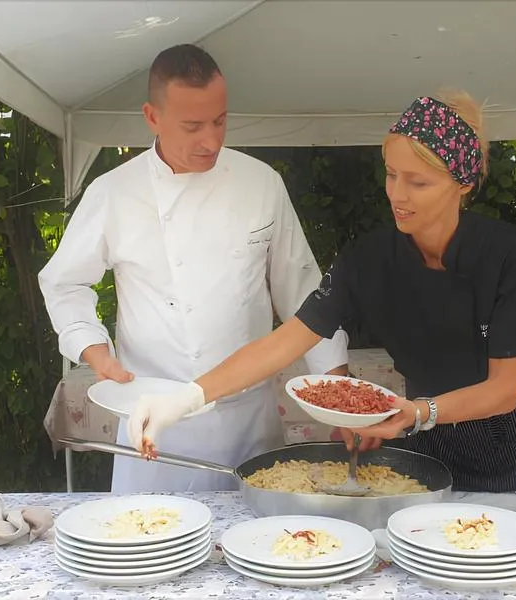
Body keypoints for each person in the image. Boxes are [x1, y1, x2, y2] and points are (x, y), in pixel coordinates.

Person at [127, 90, 516, 492]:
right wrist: (186, 398)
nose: (398, 194)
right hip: (430, 446)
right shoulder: (369, 259)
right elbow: (284, 342)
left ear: (463, 183)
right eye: (392, 174)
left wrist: (419, 412)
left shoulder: (507, 254)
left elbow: (504, 390)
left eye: (418, 182)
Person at [38, 44, 348, 492]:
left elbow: (303, 291)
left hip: (246, 420)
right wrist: (93, 348)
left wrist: (340, 393)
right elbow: (65, 283)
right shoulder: (114, 193)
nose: (212, 140)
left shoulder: (262, 183)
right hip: (156, 424)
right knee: (149, 532)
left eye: (220, 121)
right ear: (152, 117)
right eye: (192, 126)